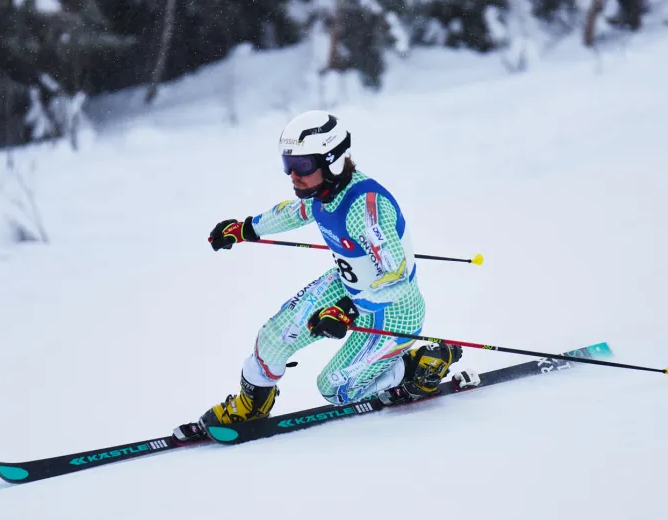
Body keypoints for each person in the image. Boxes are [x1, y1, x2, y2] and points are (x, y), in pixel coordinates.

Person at [187, 110, 463, 431]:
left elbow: (396, 277)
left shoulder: (367, 207)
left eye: (302, 165)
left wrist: (344, 311)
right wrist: (246, 228)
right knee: (273, 338)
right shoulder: (322, 191)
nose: (293, 175)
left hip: (393, 313)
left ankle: (418, 365)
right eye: (288, 165)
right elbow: (296, 212)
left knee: (336, 387)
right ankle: (251, 405)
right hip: (348, 287)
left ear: (331, 160)